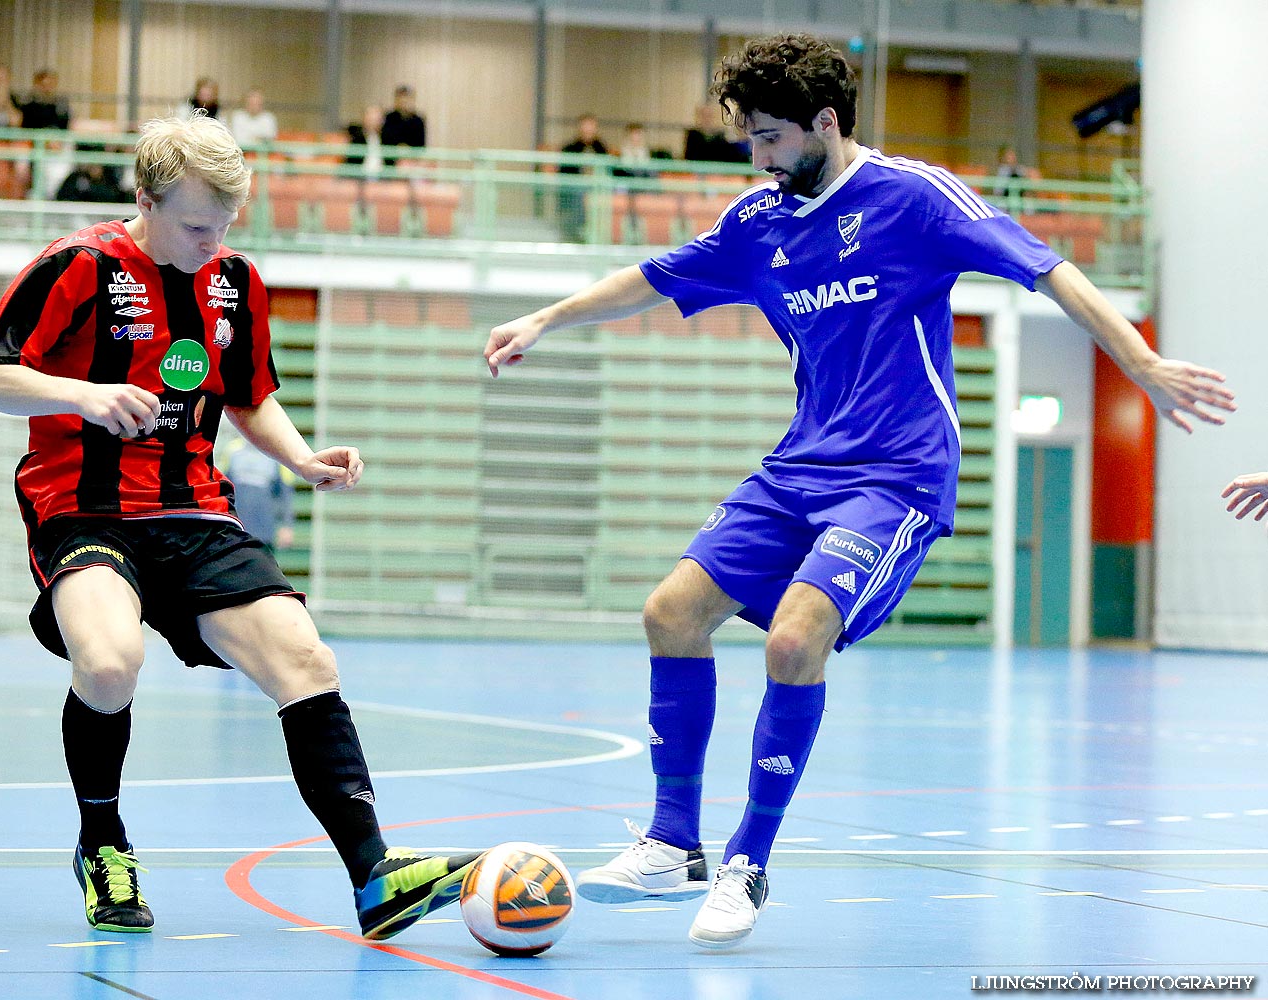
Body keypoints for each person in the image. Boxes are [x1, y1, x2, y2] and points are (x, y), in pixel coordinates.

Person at [484, 33, 1236, 950]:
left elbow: (1047, 265)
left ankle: (747, 859)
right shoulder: (758, 219)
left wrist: (1141, 358)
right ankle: (670, 842)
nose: (755, 158)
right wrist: (545, 319)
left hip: (897, 474)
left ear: (826, 124)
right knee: (670, 614)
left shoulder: (912, 198)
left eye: (767, 137)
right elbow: (651, 280)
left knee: (798, 635)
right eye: (748, 140)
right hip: (800, 464)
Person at [0, 109, 480, 941]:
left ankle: (376, 877)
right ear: (147, 198)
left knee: (307, 657)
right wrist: (84, 395)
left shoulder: (235, 280)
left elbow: (247, 396)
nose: (213, 240)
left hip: (196, 511)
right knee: (108, 663)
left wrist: (300, 459)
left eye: (226, 223)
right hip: (83, 507)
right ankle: (103, 844)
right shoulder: (77, 266)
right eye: (198, 223)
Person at [217, 427, 297, 552]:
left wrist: (287, 526)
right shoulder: (232, 451)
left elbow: (285, 495)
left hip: (264, 532)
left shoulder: (278, 455)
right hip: (235, 530)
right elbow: (221, 489)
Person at [557, 113, 609, 242]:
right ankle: (577, 232)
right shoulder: (570, 149)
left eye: (591, 127)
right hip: (575, 189)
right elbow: (564, 173)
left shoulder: (601, 148)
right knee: (579, 194)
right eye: (586, 127)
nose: (588, 130)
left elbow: (608, 170)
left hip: (598, 188)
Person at [683, 102, 747, 164]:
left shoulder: (721, 141)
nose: (707, 120)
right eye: (703, 116)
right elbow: (689, 158)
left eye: (710, 116)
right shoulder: (693, 137)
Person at [380, 85, 425, 161]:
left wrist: (409, 151)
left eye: (407, 98)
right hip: (391, 160)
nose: (404, 101)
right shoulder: (388, 118)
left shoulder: (418, 121)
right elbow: (385, 140)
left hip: (412, 161)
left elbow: (421, 145)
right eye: (401, 98)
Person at [344, 103, 386, 177]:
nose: (373, 122)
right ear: (364, 119)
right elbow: (351, 163)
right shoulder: (356, 138)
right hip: (360, 179)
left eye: (376, 119)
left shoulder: (387, 138)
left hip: (383, 180)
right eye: (370, 119)